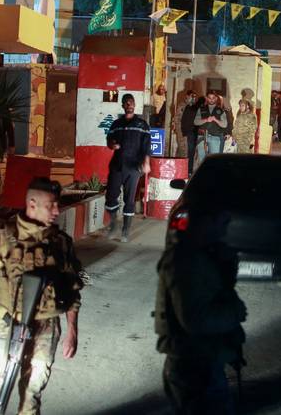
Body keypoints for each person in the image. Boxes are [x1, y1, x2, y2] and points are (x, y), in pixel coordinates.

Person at [0, 177, 84, 415]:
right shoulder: (1, 240)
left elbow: (72, 288)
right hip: (8, 324)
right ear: (32, 204)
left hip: (46, 326)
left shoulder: (61, 243)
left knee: (32, 393)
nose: (56, 210)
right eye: (51, 205)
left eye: (57, 205)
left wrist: (72, 330)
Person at [155, 210, 246, 415]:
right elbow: (195, 320)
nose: (225, 229)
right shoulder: (186, 260)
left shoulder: (204, 255)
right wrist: (235, 313)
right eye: (222, 222)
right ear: (206, 221)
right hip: (192, 367)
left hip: (204, 361)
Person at [105, 93, 151, 242]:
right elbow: (109, 142)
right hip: (117, 166)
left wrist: (146, 162)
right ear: (123, 105)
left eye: (131, 103)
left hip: (134, 167)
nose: (129, 105)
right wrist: (112, 145)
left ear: (134, 105)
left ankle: (125, 229)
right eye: (126, 103)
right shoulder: (116, 124)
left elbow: (146, 147)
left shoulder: (142, 125)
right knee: (111, 196)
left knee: (129, 199)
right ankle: (113, 224)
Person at [193, 91, 227, 169]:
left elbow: (224, 124)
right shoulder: (201, 109)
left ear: (216, 98)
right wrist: (206, 120)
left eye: (213, 98)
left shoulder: (221, 110)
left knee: (214, 161)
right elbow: (195, 122)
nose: (211, 100)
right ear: (207, 98)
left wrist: (215, 120)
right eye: (209, 98)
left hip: (215, 138)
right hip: (202, 137)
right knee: (202, 161)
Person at [174, 92, 200, 176]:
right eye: (192, 96)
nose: (194, 98)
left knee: (191, 153)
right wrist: (181, 134)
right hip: (183, 134)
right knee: (183, 152)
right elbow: (177, 121)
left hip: (191, 134)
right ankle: (182, 172)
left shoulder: (194, 107)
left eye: (195, 97)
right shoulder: (182, 105)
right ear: (187, 96)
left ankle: (188, 172)